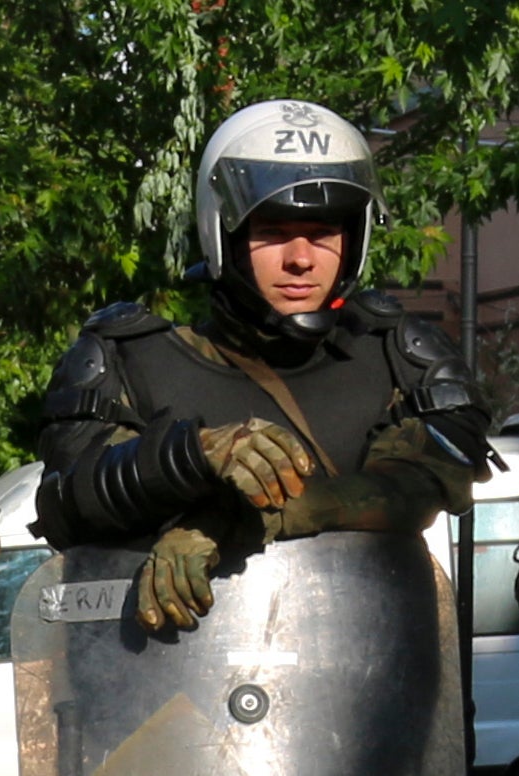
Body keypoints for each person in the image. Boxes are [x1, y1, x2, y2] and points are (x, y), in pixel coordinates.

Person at [34, 98, 493, 628]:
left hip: (368, 689)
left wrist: (233, 520)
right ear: (223, 233)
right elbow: (67, 503)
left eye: (324, 234)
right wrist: (192, 455)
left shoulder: (400, 355)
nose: (301, 258)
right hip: (161, 691)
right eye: (273, 231)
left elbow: (423, 483)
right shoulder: (127, 360)